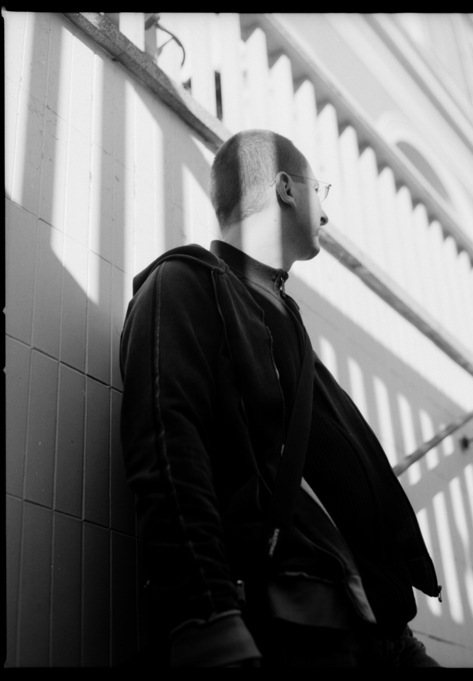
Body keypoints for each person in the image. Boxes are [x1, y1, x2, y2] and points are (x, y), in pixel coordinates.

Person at [120, 129, 442, 667]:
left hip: (384, 628)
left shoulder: (281, 314)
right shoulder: (185, 284)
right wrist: (207, 620)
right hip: (303, 625)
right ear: (286, 187)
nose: (326, 214)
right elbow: (166, 446)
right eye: (321, 191)